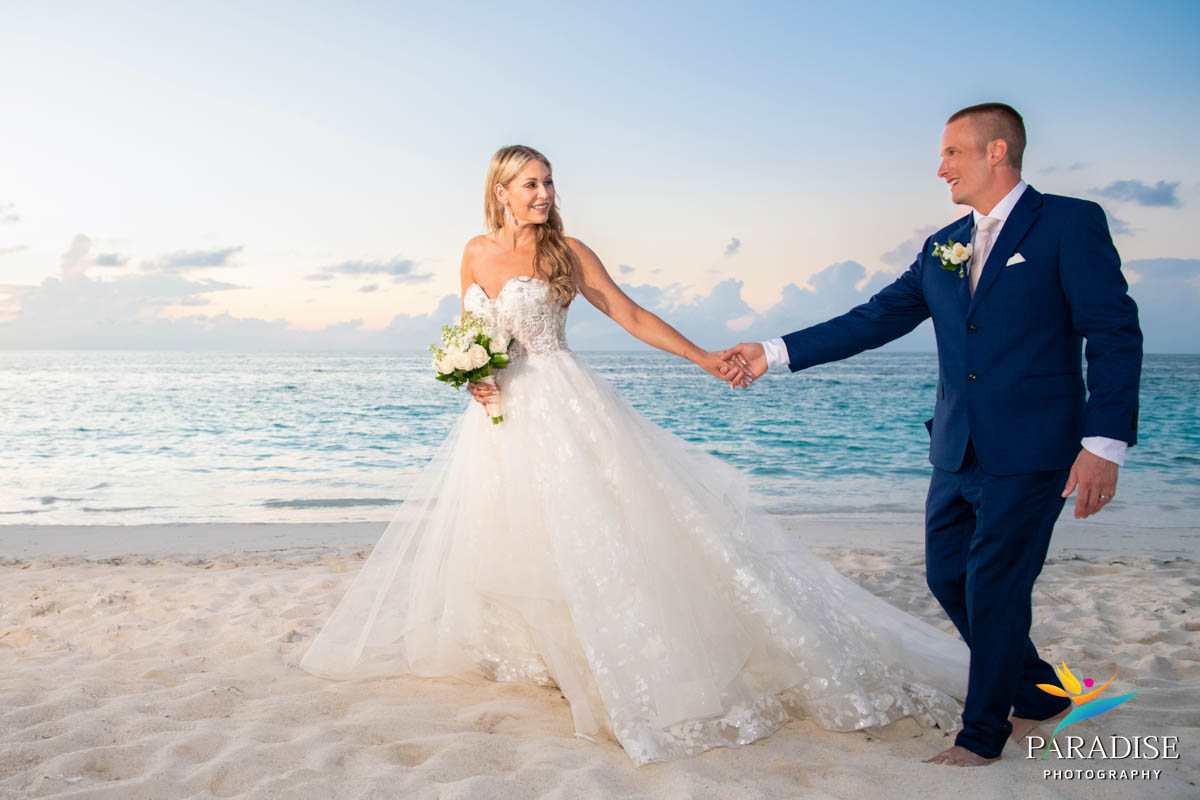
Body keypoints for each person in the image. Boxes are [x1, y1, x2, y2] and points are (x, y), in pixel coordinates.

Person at [299, 145, 970, 767]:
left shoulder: (568, 251)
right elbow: (473, 329)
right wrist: (474, 371)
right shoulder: (473, 252)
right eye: (530, 183)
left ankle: (611, 659)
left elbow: (630, 314)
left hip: (562, 403)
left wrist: (704, 357)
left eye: (549, 181)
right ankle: (550, 658)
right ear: (501, 193)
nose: (545, 192)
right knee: (515, 533)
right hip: (499, 416)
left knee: (589, 532)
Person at [721, 103, 1142, 766]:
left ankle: (981, 736)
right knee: (949, 577)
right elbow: (873, 318)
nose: (939, 166)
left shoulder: (1068, 223)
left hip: (1036, 449)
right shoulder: (942, 244)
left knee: (995, 585)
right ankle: (1038, 693)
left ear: (996, 151)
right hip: (955, 447)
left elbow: (1115, 334)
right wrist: (770, 353)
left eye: (952, 153)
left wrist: (1104, 444)